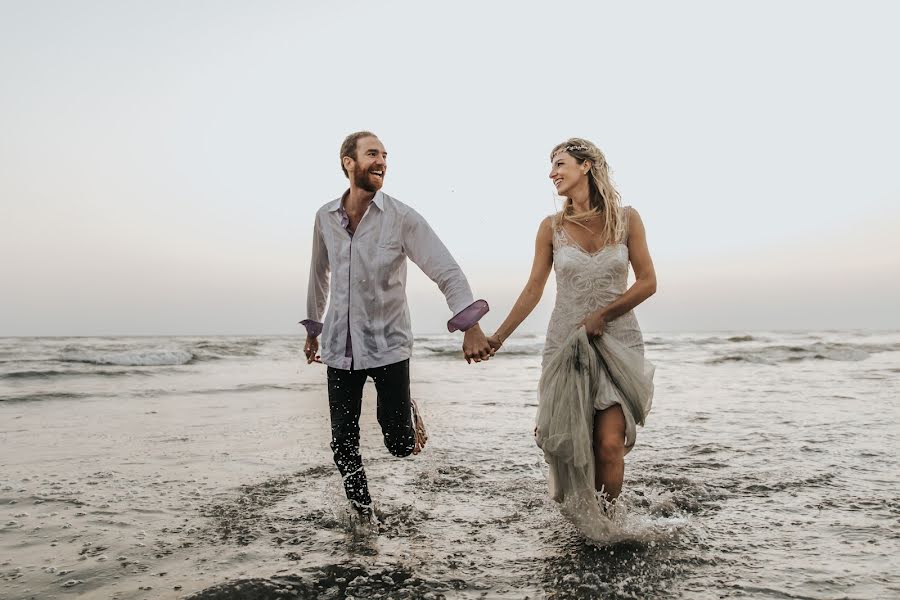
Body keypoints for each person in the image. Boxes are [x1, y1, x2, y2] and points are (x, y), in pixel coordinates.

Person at [302, 131, 493, 521]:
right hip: (339, 347)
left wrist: (471, 324)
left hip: (388, 345)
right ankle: (364, 515)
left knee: (400, 445)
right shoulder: (325, 217)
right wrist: (313, 330)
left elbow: (446, 270)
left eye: (385, 155)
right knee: (342, 443)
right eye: (372, 154)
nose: (382, 162)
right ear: (348, 162)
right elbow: (318, 276)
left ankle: (407, 413)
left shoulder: (401, 218)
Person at [487, 137, 656, 531]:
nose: (552, 173)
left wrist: (604, 313)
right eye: (551, 167)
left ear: (587, 167)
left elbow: (647, 282)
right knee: (573, 446)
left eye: (560, 164)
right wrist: (498, 337)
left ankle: (607, 527)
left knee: (609, 444)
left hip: (618, 345)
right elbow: (533, 289)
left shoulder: (628, 219)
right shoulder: (552, 228)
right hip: (567, 347)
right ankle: (586, 522)